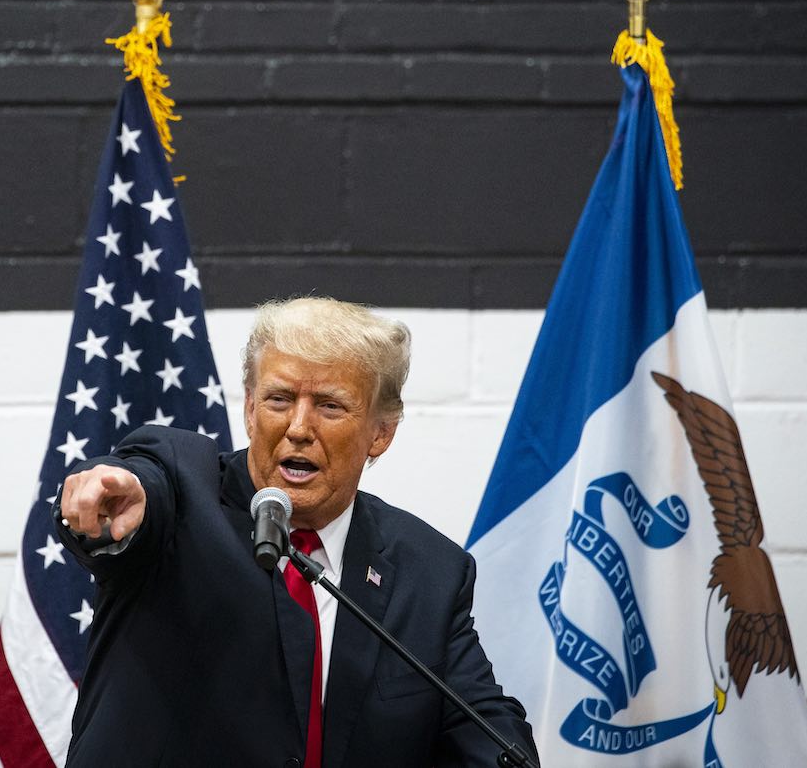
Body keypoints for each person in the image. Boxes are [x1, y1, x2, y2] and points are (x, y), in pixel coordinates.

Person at [56, 297, 538, 767]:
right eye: (279, 399)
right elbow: (144, 485)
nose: (299, 427)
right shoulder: (182, 494)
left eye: (330, 406)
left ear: (381, 432)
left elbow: (481, 725)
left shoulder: (429, 571)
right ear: (249, 408)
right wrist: (117, 501)